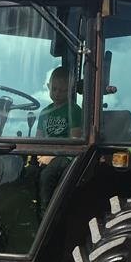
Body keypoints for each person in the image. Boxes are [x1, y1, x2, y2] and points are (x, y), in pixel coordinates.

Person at [35, 66, 82, 207]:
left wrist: (52, 156)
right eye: (54, 89)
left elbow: (74, 142)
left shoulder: (74, 110)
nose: (57, 94)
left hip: (66, 156)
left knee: (47, 175)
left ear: (70, 90)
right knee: (28, 172)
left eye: (63, 91)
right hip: (46, 154)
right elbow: (38, 140)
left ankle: (46, 215)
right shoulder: (44, 112)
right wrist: (38, 154)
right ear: (48, 86)